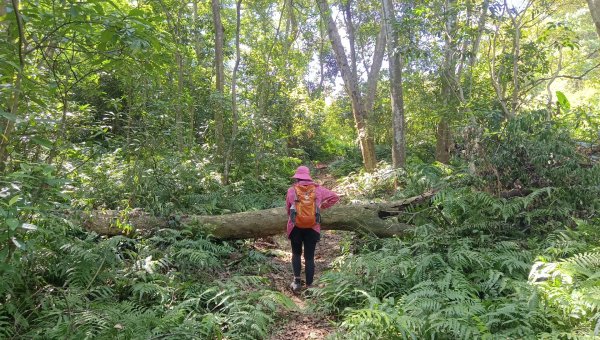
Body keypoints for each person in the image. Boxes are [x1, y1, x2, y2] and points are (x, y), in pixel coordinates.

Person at [286, 165, 339, 292]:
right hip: (313, 227)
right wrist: (322, 206)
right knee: (309, 257)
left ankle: (297, 283)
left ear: (297, 178)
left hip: (295, 227)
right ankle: (309, 286)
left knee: (296, 254)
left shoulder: (291, 191)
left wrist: (295, 218)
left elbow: (288, 209)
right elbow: (335, 197)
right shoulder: (318, 190)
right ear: (308, 177)